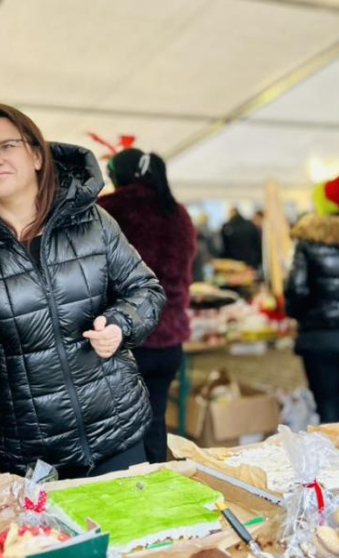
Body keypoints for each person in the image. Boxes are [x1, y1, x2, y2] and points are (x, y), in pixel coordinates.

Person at [0, 104, 166, 478]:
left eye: (7, 145)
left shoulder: (93, 221)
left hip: (116, 431)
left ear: (36, 154)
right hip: (30, 456)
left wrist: (119, 325)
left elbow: (145, 289)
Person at [97, 148, 196, 463]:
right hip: (169, 340)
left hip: (124, 338)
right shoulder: (176, 212)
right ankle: (159, 482)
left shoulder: (107, 211)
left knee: (121, 430)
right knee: (155, 418)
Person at [285, 175, 339, 423]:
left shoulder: (310, 240)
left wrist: (302, 314)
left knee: (327, 410)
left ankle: (330, 460)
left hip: (320, 340)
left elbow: (297, 290)